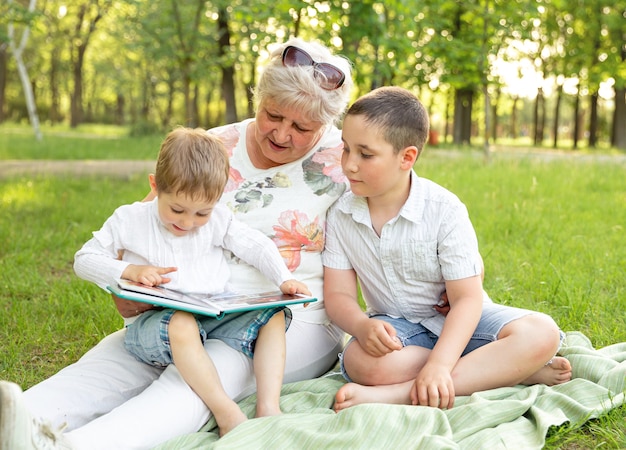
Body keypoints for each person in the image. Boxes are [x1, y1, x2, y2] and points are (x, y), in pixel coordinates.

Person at [1, 37, 353, 449]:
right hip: (185, 304)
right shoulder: (210, 146)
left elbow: (395, 228)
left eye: (301, 128)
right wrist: (127, 290)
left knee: (197, 381)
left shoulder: (346, 161)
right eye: (272, 114)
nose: (281, 133)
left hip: (282, 321)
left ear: (325, 125)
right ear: (258, 97)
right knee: (113, 363)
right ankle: (18, 421)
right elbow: (143, 223)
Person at [322, 86, 573, 412]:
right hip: (399, 330)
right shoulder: (342, 214)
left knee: (542, 333)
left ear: (407, 157)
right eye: (346, 150)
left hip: (462, 321)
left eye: (365, 154)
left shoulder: (444, 209)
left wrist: (440, 366)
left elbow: (467, 299)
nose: (349, 165)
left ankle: (404, 392)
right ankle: (503, 369)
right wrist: (361, 325)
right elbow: (338, 296)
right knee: (361, 362)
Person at [74, 127, 311, 436]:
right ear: (155, 186)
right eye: (176, 210)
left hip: (211, 315)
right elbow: (84, 259)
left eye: (201, 212)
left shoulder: (218, 219)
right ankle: (225, 412)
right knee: (182, 323)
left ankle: (268, 408)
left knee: (275, 316)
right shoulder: (129, 220)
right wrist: (128, 270)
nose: (187, 222)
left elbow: (255, 245)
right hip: (155, 325)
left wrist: (285, 279)